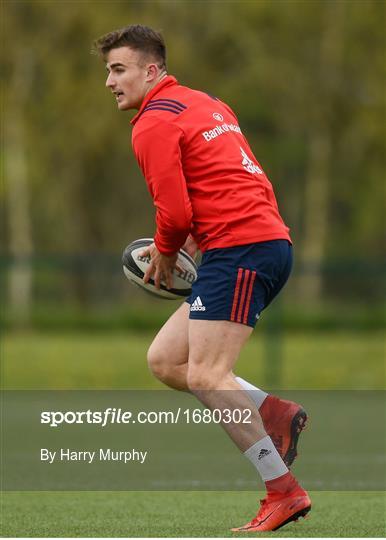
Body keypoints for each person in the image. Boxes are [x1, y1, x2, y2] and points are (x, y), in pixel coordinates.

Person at [93, 24, 311, 532]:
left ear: (152, 71)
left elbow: (171, 213)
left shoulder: (151, 123)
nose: (109, 81)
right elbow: (240, 176)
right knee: (167, 360)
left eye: (118, 69)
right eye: (108, 70)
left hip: (240, 248)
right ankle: (275, 412)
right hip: (261, 241)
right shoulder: (206, 103)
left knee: (207, 376)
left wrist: (166, 254)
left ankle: (282, 491)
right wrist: (198, 243)